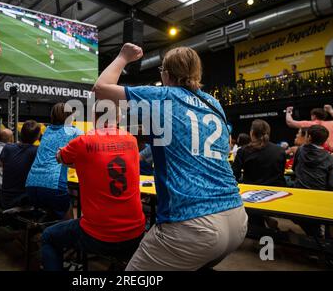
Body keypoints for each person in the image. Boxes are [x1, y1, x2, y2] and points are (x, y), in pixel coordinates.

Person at [92, 43, 247, 271]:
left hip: (193, 222)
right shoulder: (214, 104)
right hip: (236, 218)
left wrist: (123, 56)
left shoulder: (162, 95)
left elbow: (101, 89)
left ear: (165, 74)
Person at [40, 101, 145, 271]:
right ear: (118, 118)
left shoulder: (82, 141)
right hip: (136, 233)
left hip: (98, 235)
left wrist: (64, 154)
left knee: (48, 237)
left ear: (94, 118)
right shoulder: (131, 140)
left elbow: (61, 158)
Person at [25, 103, 83, 220]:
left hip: (31, 184)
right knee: (68, 223)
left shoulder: (47, 130)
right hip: (53, 184)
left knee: (49, 218)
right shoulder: (75, 132)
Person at [0, 120, 40, 209]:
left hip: (5, 197)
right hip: (21, 200)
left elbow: (0, 164)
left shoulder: (8, 147)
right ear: (37, 137)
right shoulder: (36, 151)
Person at [232, 119, 287, 187]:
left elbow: (234, 175)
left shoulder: (243, 151)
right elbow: (281, 173)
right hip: (278, 192)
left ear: (251, 133)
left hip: (251, 193)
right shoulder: (280, 150)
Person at [293, 125, 333, 191]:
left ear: (309, 137)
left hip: (299, 192)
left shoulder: (300, 150)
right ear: (325, 140)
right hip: (320, 195)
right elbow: (332, 185)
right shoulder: (331, 159)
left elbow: (294, 169)